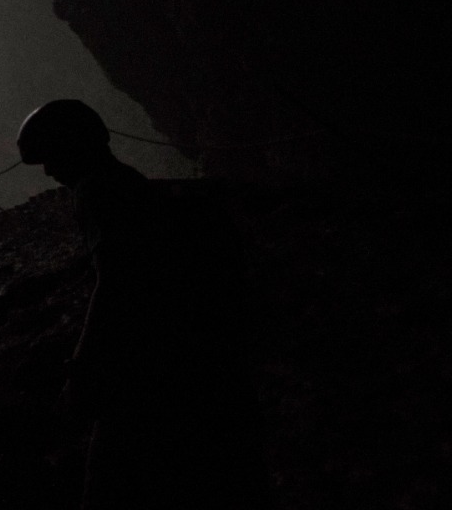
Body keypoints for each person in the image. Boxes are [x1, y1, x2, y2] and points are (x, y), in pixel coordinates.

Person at [17, 100, 269, 510]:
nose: (48, 171)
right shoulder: (130, 182)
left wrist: (82, 369)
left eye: (50, 159)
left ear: (70, 150)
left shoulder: (94, 192)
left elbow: (116, 282)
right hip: (196, 363)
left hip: (149, 374)